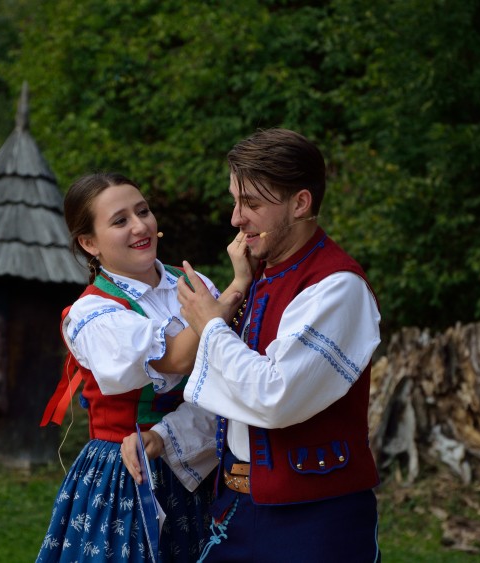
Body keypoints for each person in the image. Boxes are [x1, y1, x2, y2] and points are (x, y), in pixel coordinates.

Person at [174, 128, 382, 561]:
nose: (236, 218)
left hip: (314, 520)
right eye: (235, 201)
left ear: (300, 203)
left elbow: (275, 396)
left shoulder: (337, 287)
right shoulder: (262, 276)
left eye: (252, 204)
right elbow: (232, 399)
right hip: (236, 508)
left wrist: (210, 327)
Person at [36, 172, 251, 562]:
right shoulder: (91, 313)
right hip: (129, 473)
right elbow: (177, 357)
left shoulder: (193, 284)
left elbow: (228, 368)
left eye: (143, 211)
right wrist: (238, 286)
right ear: (89, 243)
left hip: (204, 459)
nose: (140, 226)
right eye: (120, 221)